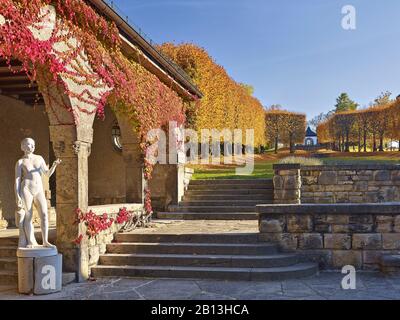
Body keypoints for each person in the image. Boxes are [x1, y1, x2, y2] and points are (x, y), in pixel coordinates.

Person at [15, 138, 61, 248]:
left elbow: (47, 173)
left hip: (38, 188)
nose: (30, 147)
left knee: (44, 214)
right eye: (28, 144)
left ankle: (45, 241)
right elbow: (17, 180)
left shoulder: (39, 158)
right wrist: (17, 195)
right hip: (26, 188)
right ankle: (31, 241)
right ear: (22, 147)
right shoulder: (20, 162)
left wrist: (54, 165)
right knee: (28, 215)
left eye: (32, 145)